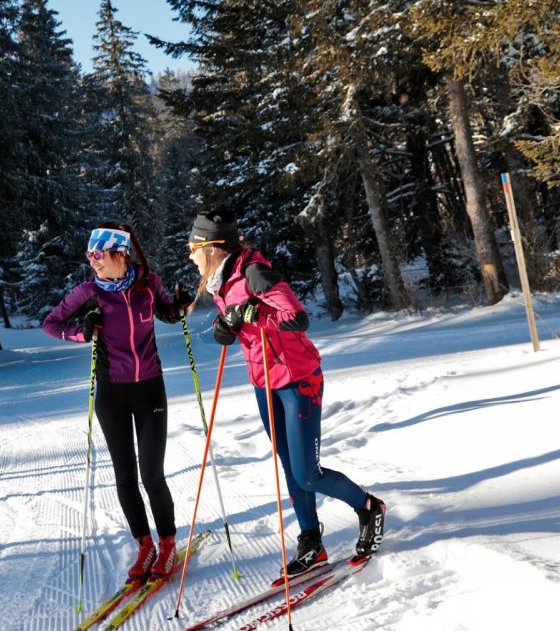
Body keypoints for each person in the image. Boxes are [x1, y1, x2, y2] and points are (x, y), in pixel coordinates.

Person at [185, 212, 386, 576]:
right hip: (264, 381)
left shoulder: (254, 272)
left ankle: (368, 507)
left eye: (193, 248)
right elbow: (234, 322)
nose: (189, 255)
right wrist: (225, 326)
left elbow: (296, 317)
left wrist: (254, 316)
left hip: (297, 380)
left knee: (308, 473)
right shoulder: (221, 280)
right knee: (290, 467)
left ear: (212, 248)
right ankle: (311, 541)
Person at [42, 224, 193, 581]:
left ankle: (168, 544)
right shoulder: (89, 292)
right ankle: (145, 545)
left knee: (151, 474)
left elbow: (168, 312)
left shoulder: (147, 284)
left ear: (119, 254)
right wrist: (80, 331)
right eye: (89, 255)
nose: (92, 261)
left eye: (98, 254)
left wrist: (180, 307)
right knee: (124, 475)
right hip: (111, 392)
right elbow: (51, 323)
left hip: (149, 389)